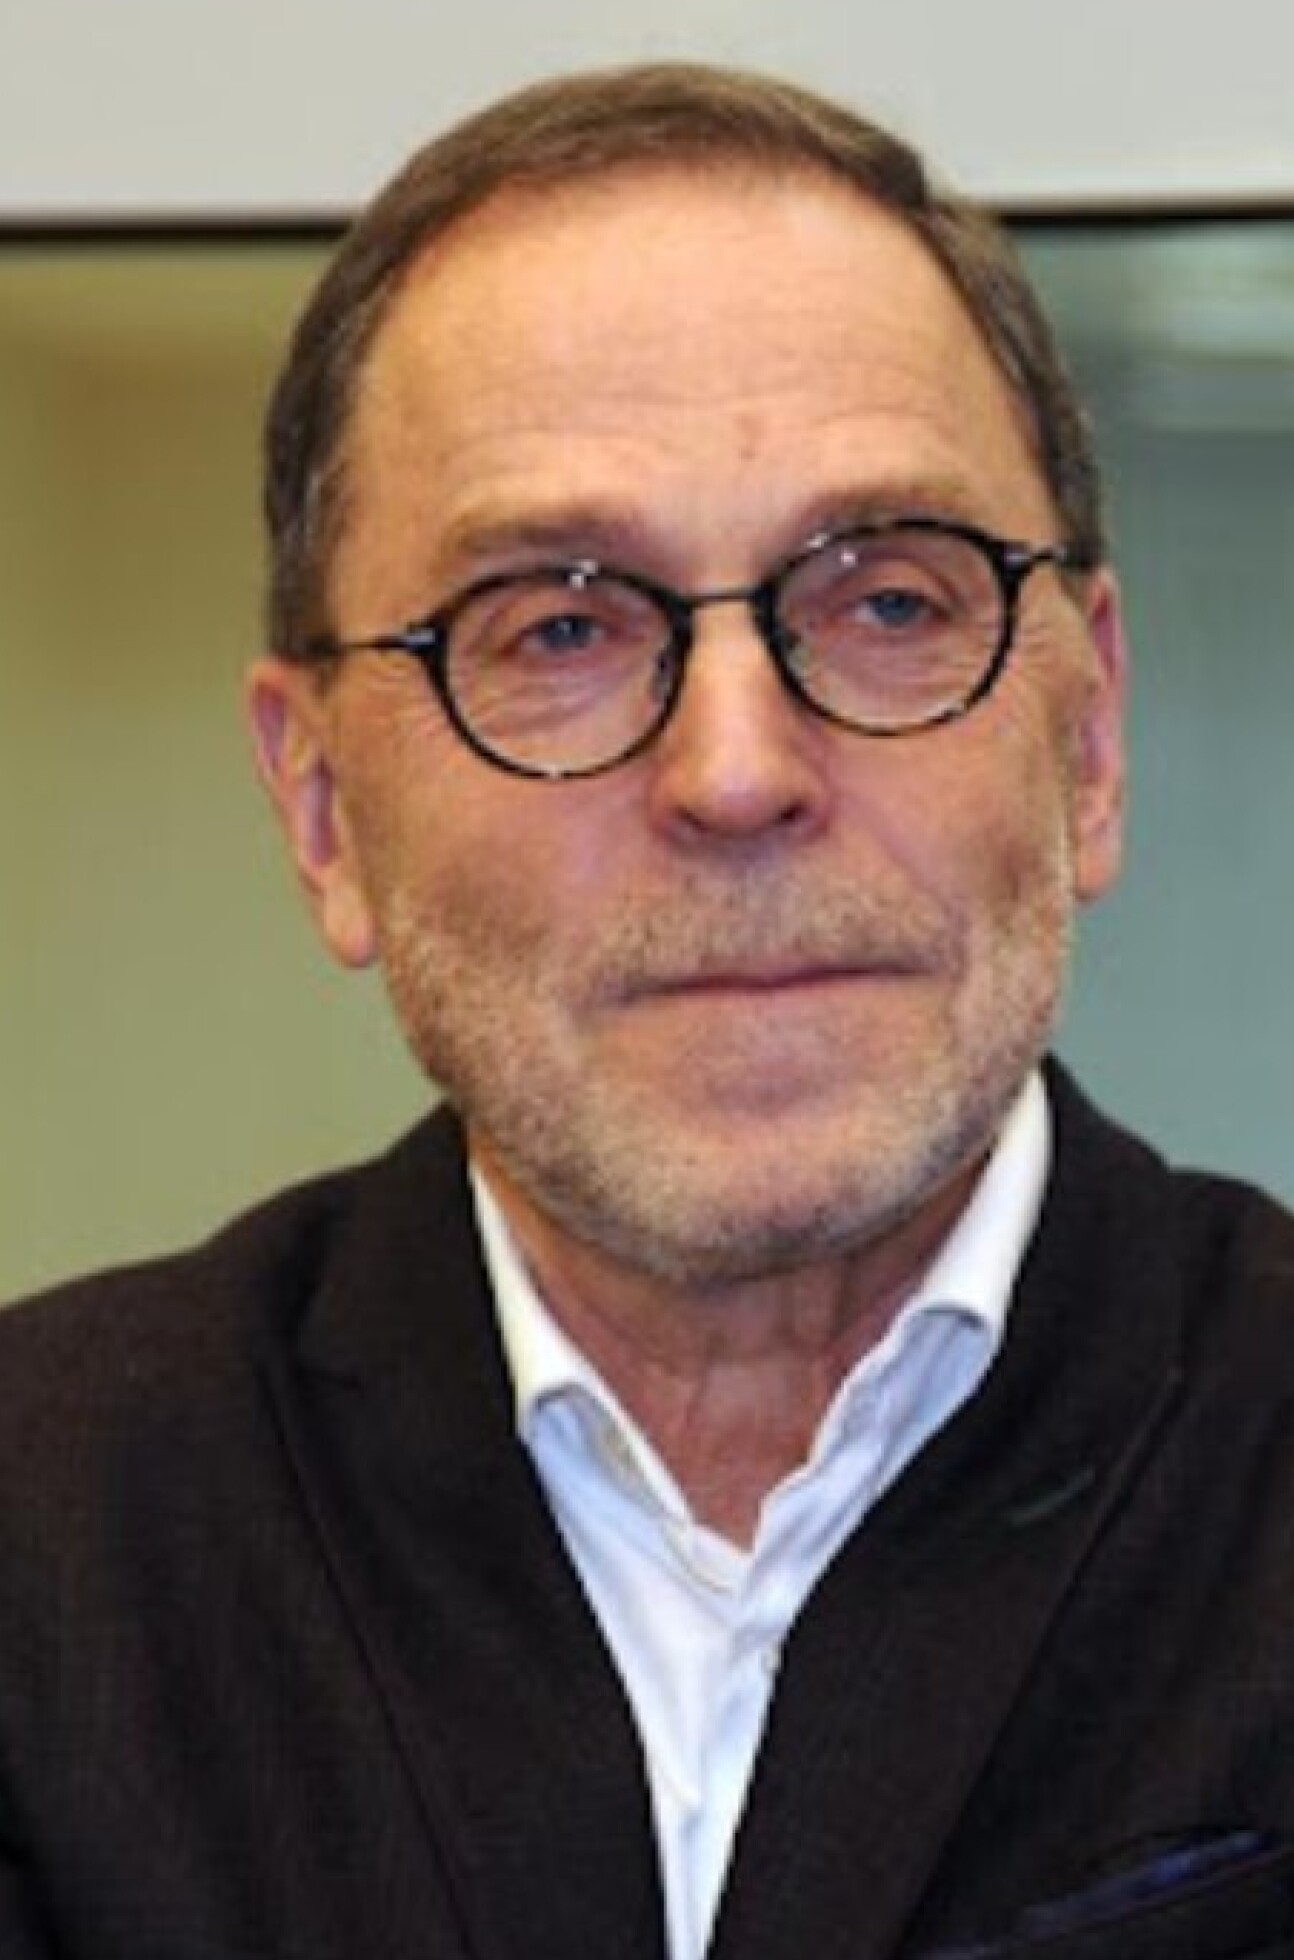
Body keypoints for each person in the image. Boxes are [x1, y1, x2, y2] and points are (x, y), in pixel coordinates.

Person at [0, 60, 1291, 1960]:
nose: (737, 772)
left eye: (889, 602)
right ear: (323, 807)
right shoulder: (45, 1544)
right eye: (558, 629)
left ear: (1086, 741)